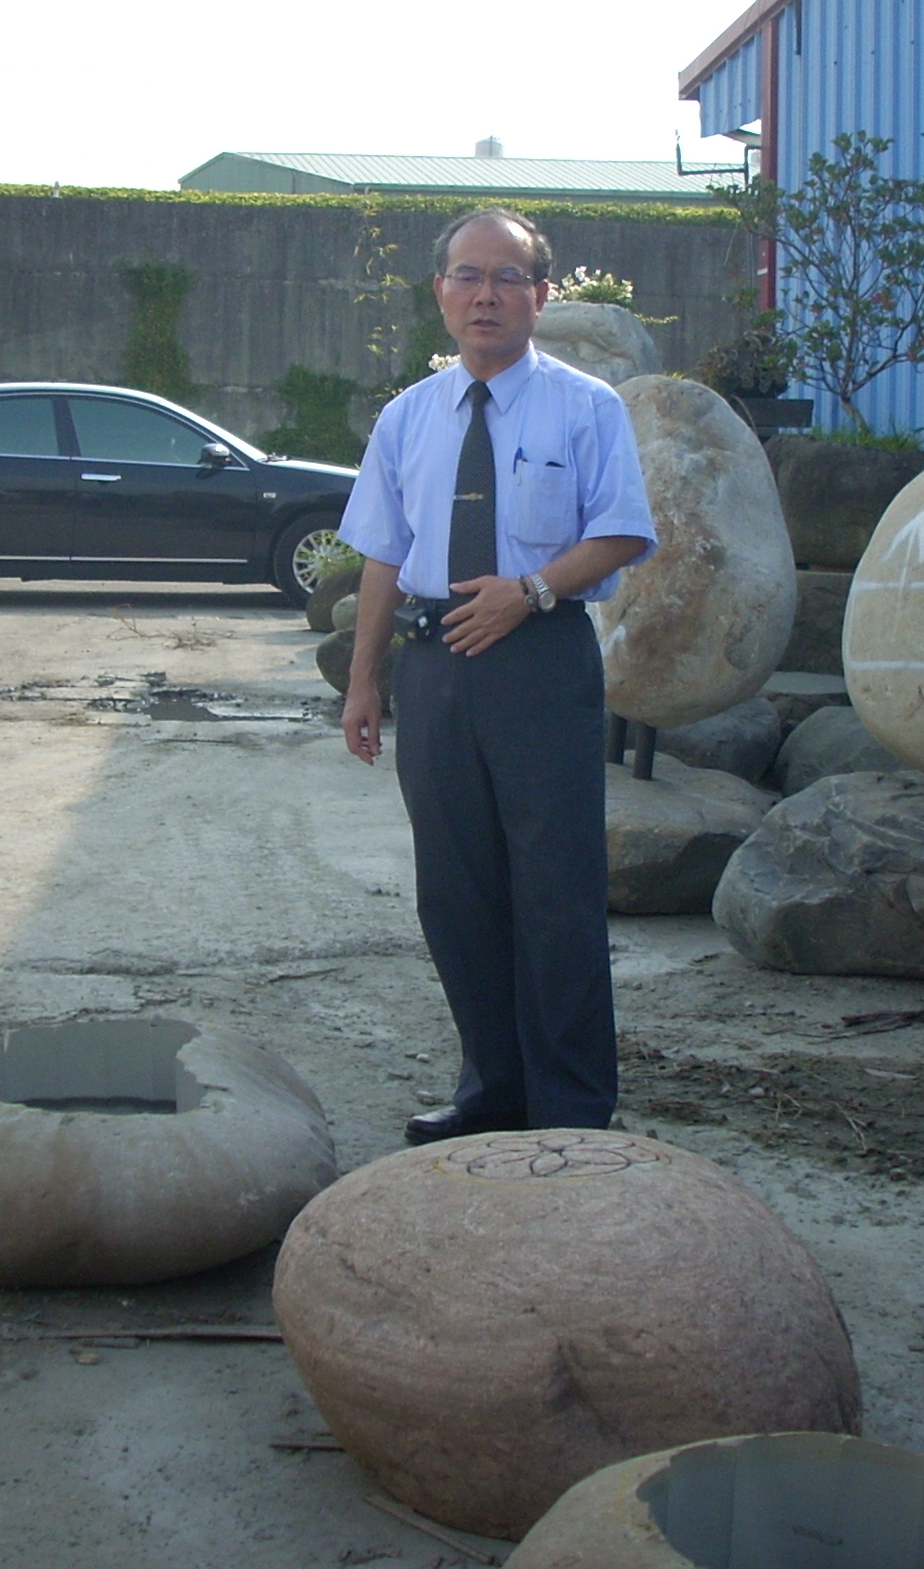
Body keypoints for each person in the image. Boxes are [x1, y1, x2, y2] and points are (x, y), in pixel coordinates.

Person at [340, 208, 656, 1147]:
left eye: (507, 278)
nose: (486, 294)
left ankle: (570, 1109)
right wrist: (365, 684)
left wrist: (531, 591)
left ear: (541, 296)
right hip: (436, 665)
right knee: (456, 892)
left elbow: (624, 529)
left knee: (554, 892)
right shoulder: (408, 418)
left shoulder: (586, 405)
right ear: (440, 291)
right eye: (467, 276)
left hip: (541, 660)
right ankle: (492, 1090)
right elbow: (381, 559)